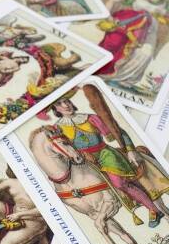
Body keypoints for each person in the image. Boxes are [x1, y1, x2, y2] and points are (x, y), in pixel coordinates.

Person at [51, 97, 164, 227]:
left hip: (105, 154)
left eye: (67, 101)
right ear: (55, 109)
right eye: (59, 103)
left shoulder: (91, 118)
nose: (66, 105)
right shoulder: (57, 128)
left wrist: (130, 150)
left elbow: (118, 132)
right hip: (84, 162)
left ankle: (154, 210)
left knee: (119, 183)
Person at [96, 0, 169, 89]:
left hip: (150, 31)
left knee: (146, 53)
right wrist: (109, 17)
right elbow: (112, 1)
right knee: (123, 50)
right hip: (132, 29)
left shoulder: (166, 4)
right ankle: (114, 74)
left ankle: (128, 80)